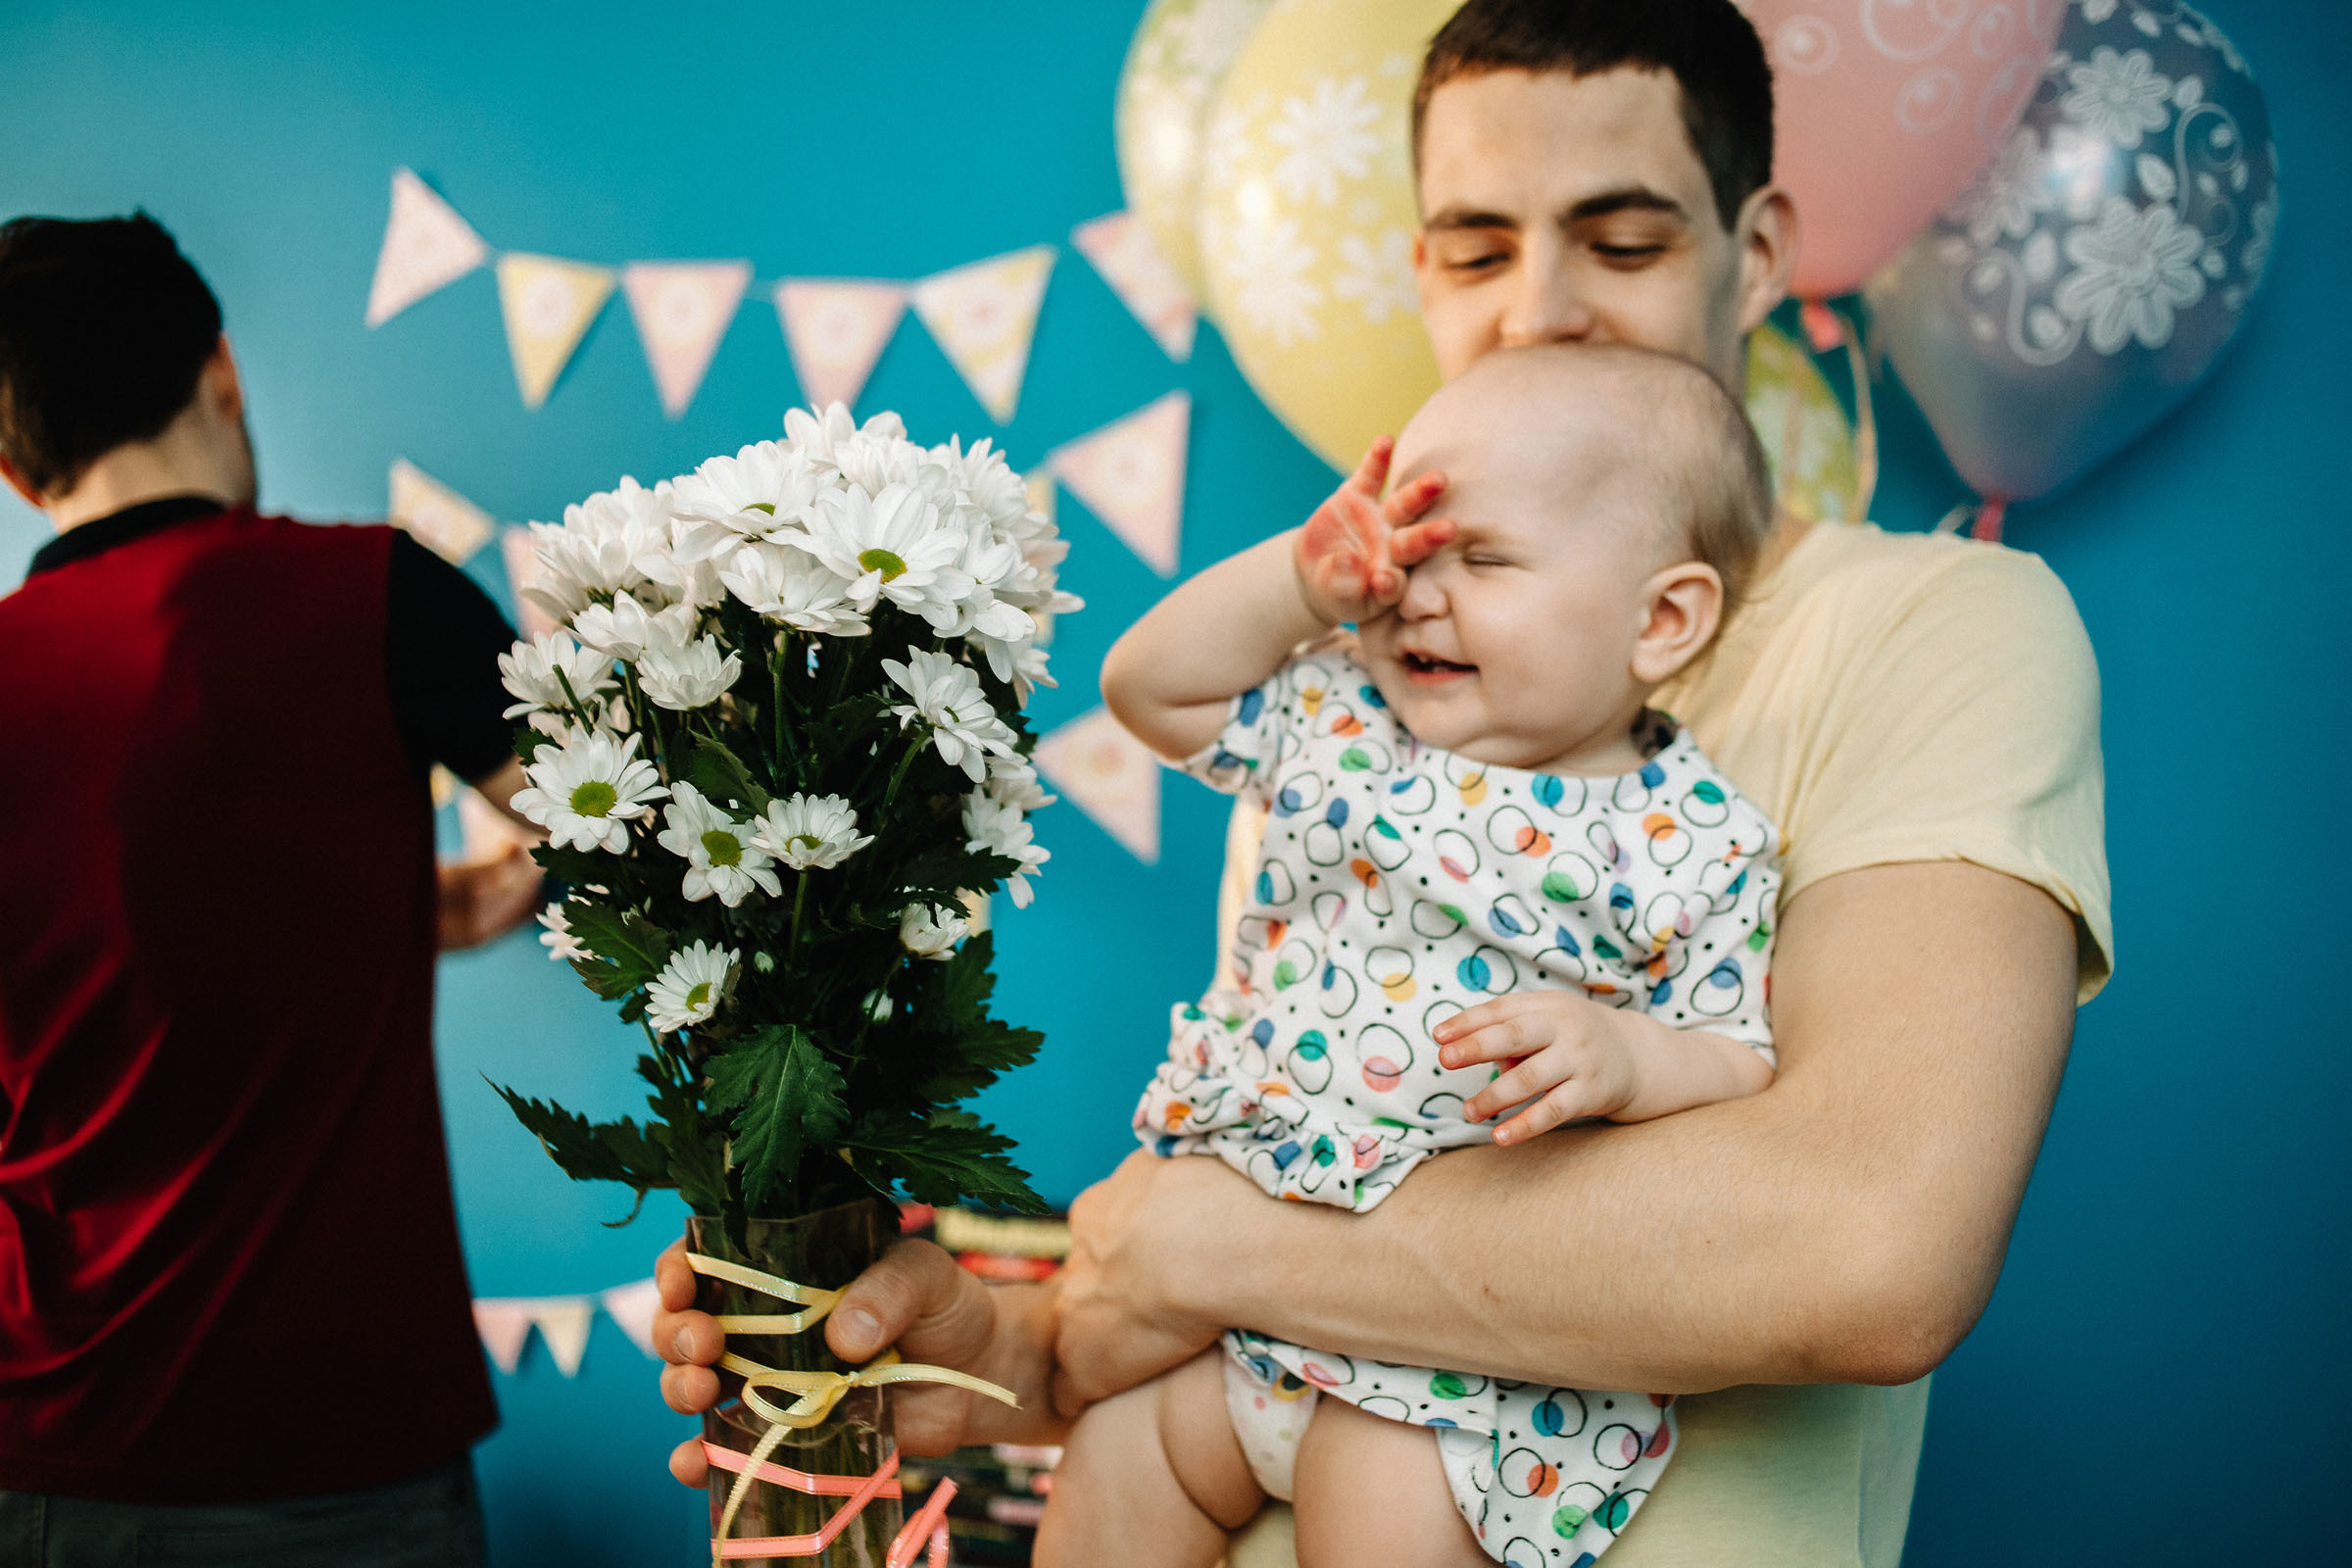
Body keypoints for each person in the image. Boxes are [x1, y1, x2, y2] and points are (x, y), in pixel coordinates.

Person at [657, 2, 2109, 1561]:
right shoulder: (1368, 682)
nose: (1540, 310)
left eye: (1620, 242)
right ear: (1420, 270)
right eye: (1478, 251)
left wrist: (1210, 1240)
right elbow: (1282, 1156)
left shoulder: (1929, 624)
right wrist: (1013, 1354)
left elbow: (1862, 1249)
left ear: (1756, 250)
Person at [1044, 344, 1787, 1568]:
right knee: (1113, 1466)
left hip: (1444, 1365)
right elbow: (1147, 690)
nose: (1415, 594)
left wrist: (1627, 1055)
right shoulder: (1343, 714)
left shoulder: (1693, 842)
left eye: (1482, 559)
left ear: (1662, 619)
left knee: (1377, 1521)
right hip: (1232, 1300)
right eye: (1406, 547)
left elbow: (1738, 1058)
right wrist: (1297, 582)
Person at [0, 213, 541, 1564]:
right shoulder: (379, 597)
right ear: (222, 371)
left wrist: (430, 908)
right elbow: (622, 837)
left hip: (46, 1443)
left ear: (13, 472)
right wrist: (464, 897)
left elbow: (126, 905)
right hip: (345, 1439)